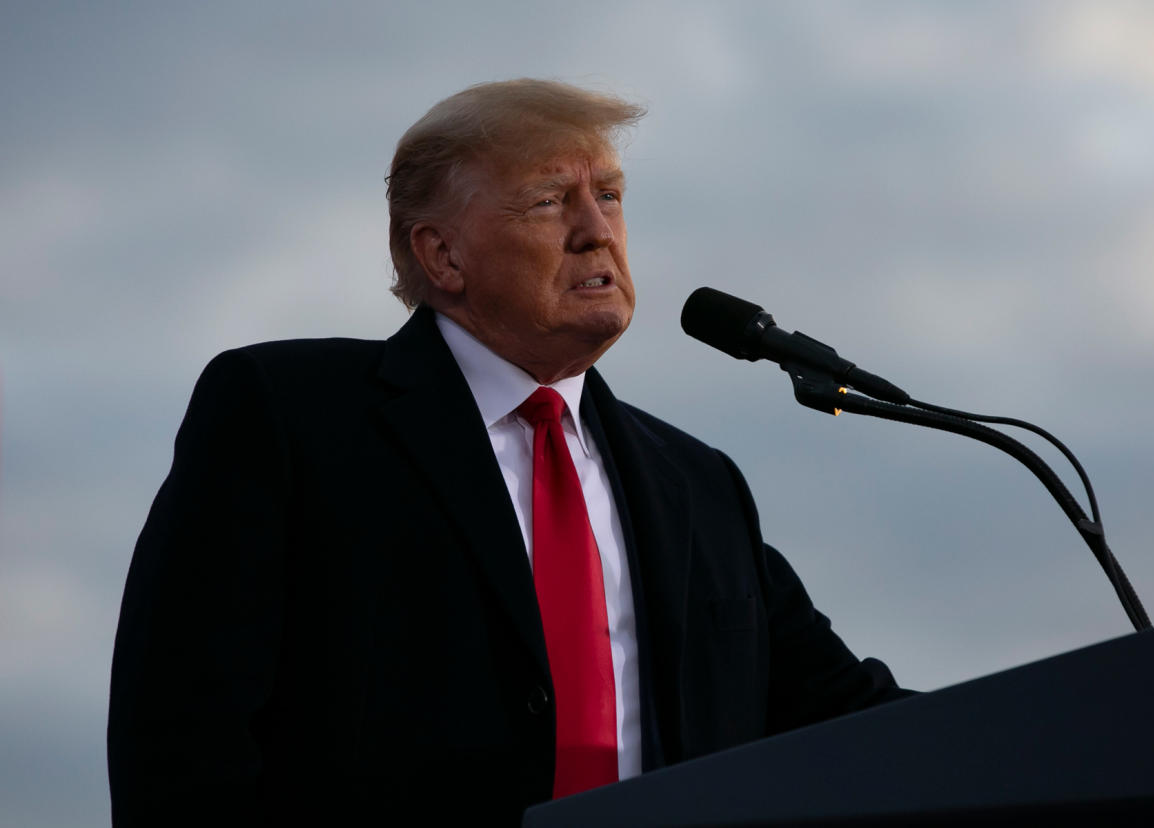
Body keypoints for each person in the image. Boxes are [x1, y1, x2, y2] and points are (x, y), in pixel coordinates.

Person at [108, 79, 908, 827]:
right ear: (443, 256)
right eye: (549, 202)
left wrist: (1034, 722)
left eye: (610, 196)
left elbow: (854, 716)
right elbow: (182, 740)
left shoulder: (699, 485)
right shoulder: (287, 417)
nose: (596, 230)